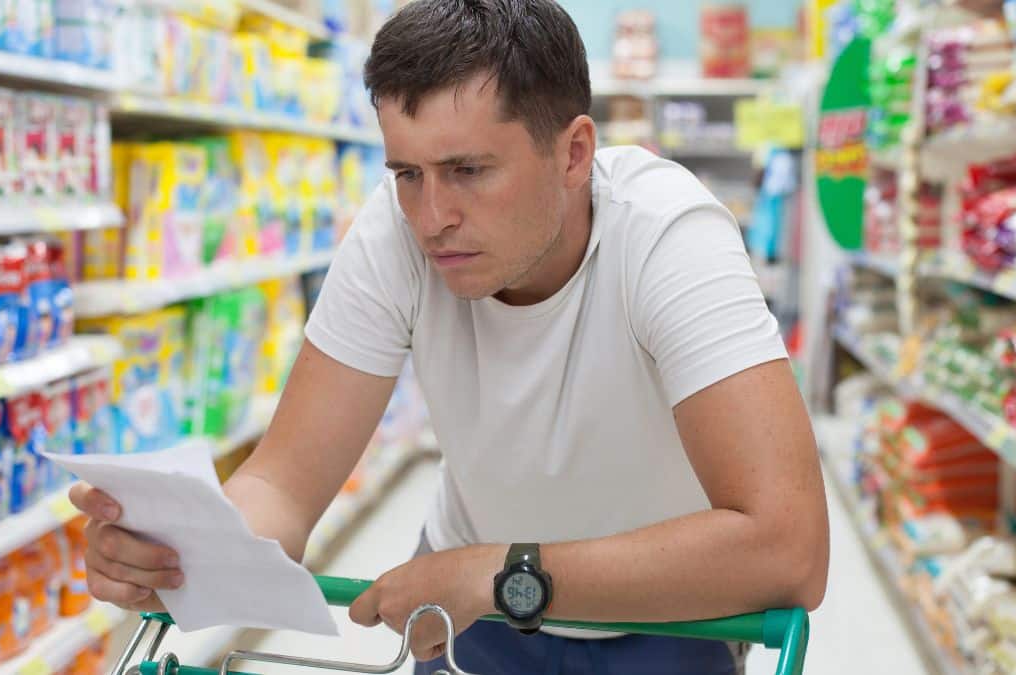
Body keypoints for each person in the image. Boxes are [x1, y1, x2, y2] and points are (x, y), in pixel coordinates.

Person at [70, 1, 830, 673]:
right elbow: (281, 484)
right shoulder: (392, 234)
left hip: (665, 610)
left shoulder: (670, 238)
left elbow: (789, 549)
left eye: (468, 169)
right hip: (474, 609)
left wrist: (503, 571)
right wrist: (189, 550)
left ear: (573, 152)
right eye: (407, 173)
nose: (432, 217)